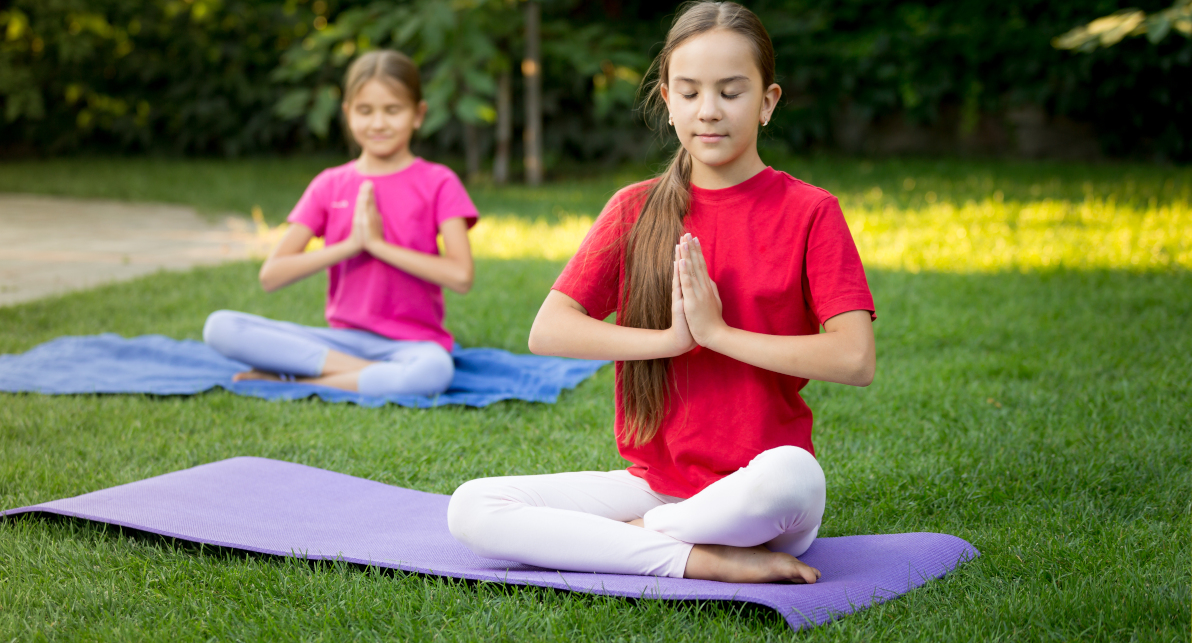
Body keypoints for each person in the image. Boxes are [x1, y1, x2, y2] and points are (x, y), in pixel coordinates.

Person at [447, 1, 876, 583]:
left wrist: (719, 335)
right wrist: (674, 339)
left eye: (731, 92)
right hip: (655, 488)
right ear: (668, 100)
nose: (709, 111)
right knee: (472, 506)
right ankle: (701, 558)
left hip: (760, 500)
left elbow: (854, 358)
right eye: (690, 92)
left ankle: (631, 544)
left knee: (794, 474)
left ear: (768, 102)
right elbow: (550, 330)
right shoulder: (635, 208)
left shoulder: (810, 211)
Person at [203, 50, 477, 397]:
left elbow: (461, 276)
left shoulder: (439, 182)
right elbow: (272, 275)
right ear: (348, 114)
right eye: (365, 111)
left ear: (418, 114)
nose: (378, 123)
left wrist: (378, 246)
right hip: (339, 343)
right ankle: (374, 376)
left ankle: (302, 382)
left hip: (413, 345)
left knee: (435, 371)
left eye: (392, 110)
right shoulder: (328, 184)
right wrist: (350, 246)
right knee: (221, 327)